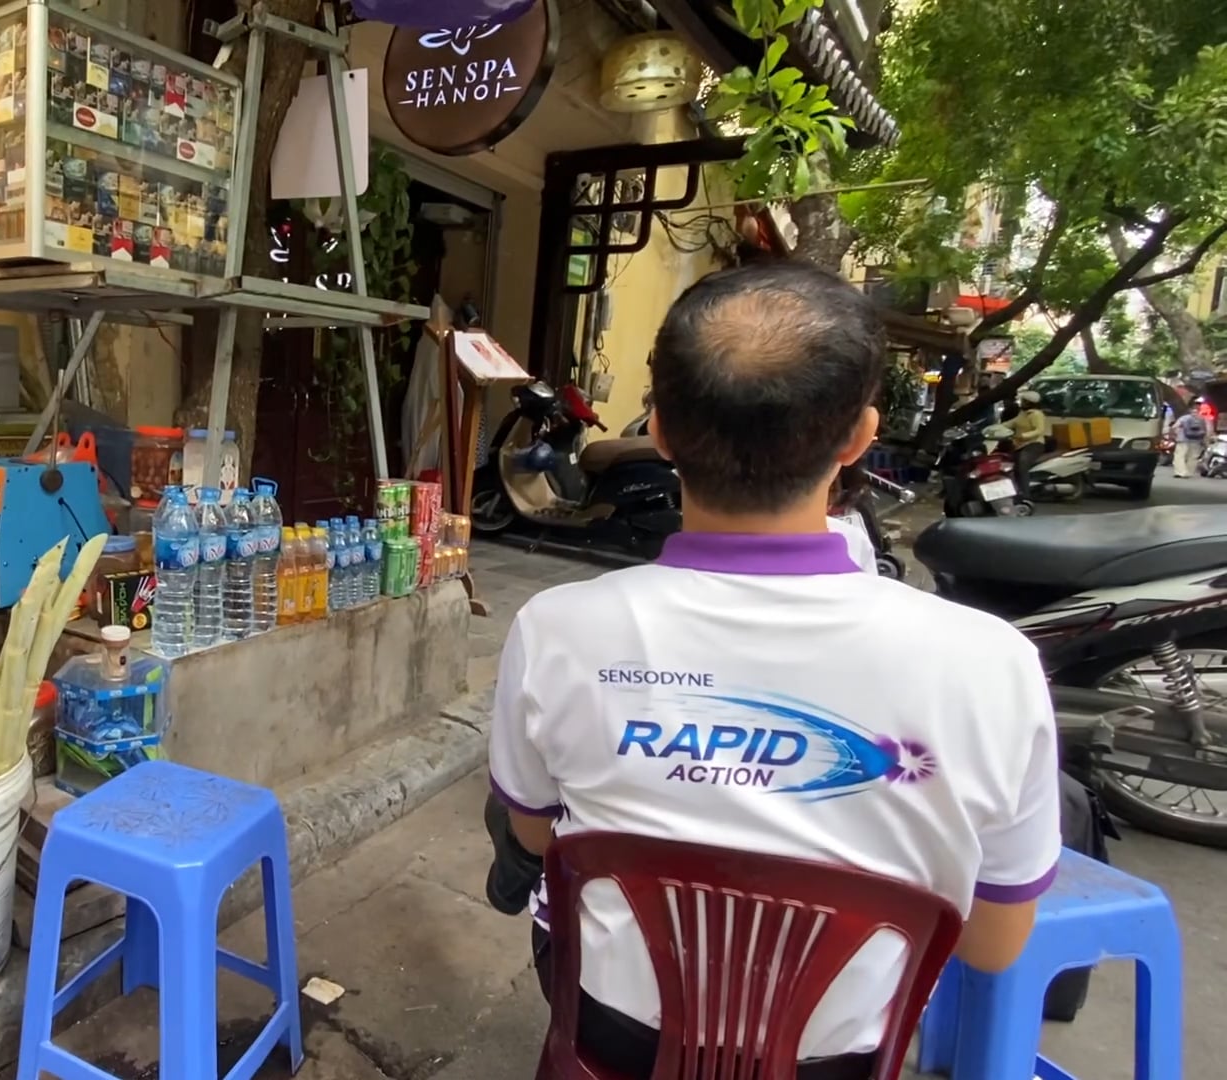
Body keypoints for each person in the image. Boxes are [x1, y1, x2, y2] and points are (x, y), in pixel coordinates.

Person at [488, 261, 1059, 1078]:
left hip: (614, 1034)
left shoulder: (559, 629)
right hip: (837, 1059)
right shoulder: (993, 663)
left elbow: (536, 833)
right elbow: (995, 944)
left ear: (660, 432)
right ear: (860, 437)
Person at [1008, 388, 1050, 492]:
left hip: (1034, 444)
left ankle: (1025, 493)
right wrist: (995, 428)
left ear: (1028, 403)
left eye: (1023, 401)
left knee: (1022, 464)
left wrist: (1023, 436)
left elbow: (1039, 430)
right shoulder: (1023, 413)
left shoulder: (1037, 414)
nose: (1021, 402)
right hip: (1019, 444)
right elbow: (1012, 423)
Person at [1174, 400, 1209, 478]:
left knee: (1180, 456)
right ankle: (1189, 472)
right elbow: (1206, 430)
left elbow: (1175, 427)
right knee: (1193, 457)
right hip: (1196, 440)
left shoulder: (1183, 418)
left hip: (1183, 439)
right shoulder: (1202, 419)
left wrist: (1175, 433)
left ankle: (1180, 472)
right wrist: (1205, 440)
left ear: (1189, 410)